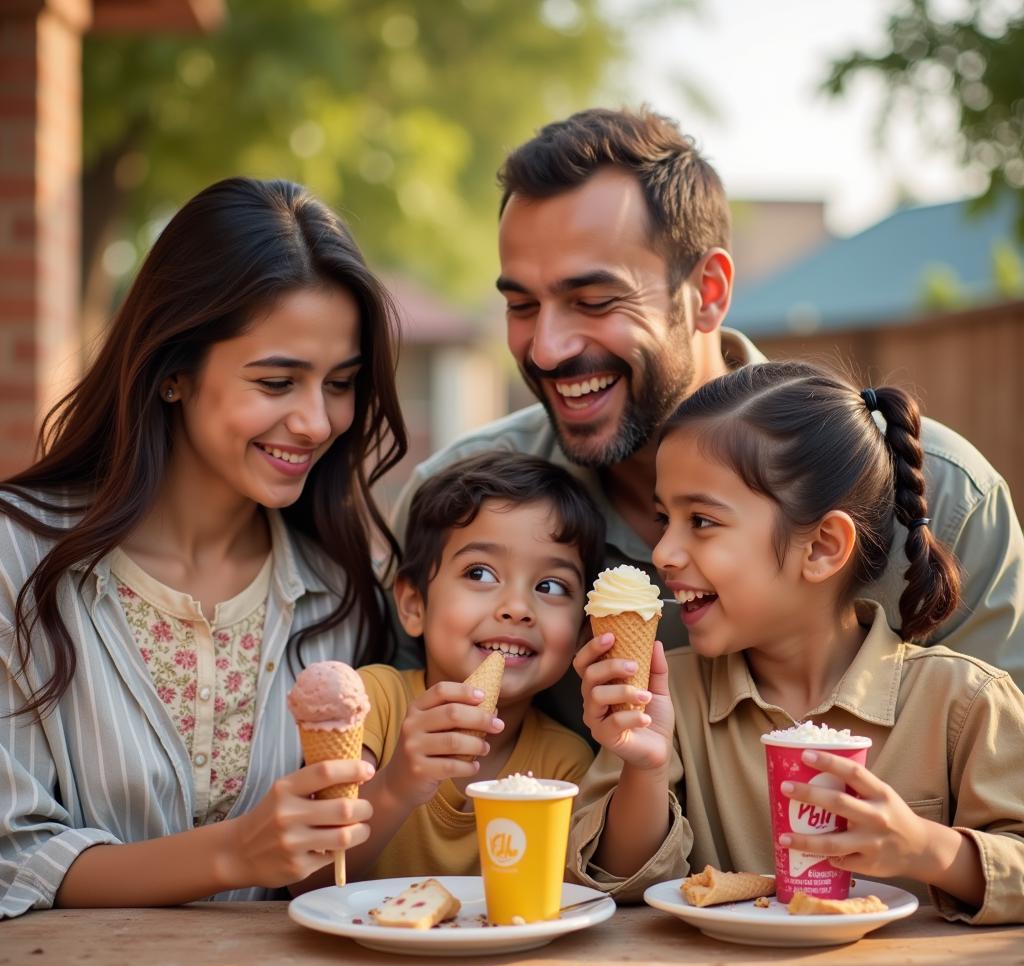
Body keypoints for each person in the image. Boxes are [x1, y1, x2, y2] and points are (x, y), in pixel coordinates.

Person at [389, 107, 1024, 737]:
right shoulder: (457, 503)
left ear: (709, 291)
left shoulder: (948, 499)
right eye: (521, 305)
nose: (547, 348)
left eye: (594, 301)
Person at [0, 177, 407, 917]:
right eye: (278, 380)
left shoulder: (345, 594)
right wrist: (232, 852)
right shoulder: (16, 559)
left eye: (340, 384)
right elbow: (12, 855)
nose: (316, 422)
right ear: (175, 372)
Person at [569, 362, 1024, 926]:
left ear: (822, 548)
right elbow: (622, 883)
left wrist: (926, 848)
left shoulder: (964, 702)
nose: (662, 552)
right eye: (665, 519)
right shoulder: (667, 698)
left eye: (702, 521)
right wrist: (645, 765)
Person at [347, 452, 599, 881]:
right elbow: (309, 875)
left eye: (550, 586)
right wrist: (397, 784)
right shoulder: (373, 703)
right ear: (413, 605)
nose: (518, 608)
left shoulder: (565, 764)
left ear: (580, 634)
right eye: (480, 574)